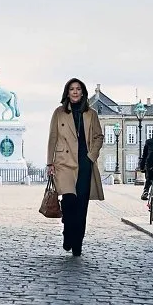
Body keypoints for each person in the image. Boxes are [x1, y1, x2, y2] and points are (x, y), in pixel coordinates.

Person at [46, 78, 104, 256]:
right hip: (64, 162)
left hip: (84, 162)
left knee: (81, 206)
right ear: (67, 92)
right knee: (69, 202)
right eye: (72, 89)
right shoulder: (59, 113)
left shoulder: (91, 113)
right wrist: (50, 162)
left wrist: (91, 156)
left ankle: (77, 242)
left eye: (78, 89)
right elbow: (52, 138)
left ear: (83, 92)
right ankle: (67, 232)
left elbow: (98, 137)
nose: (75, 92)